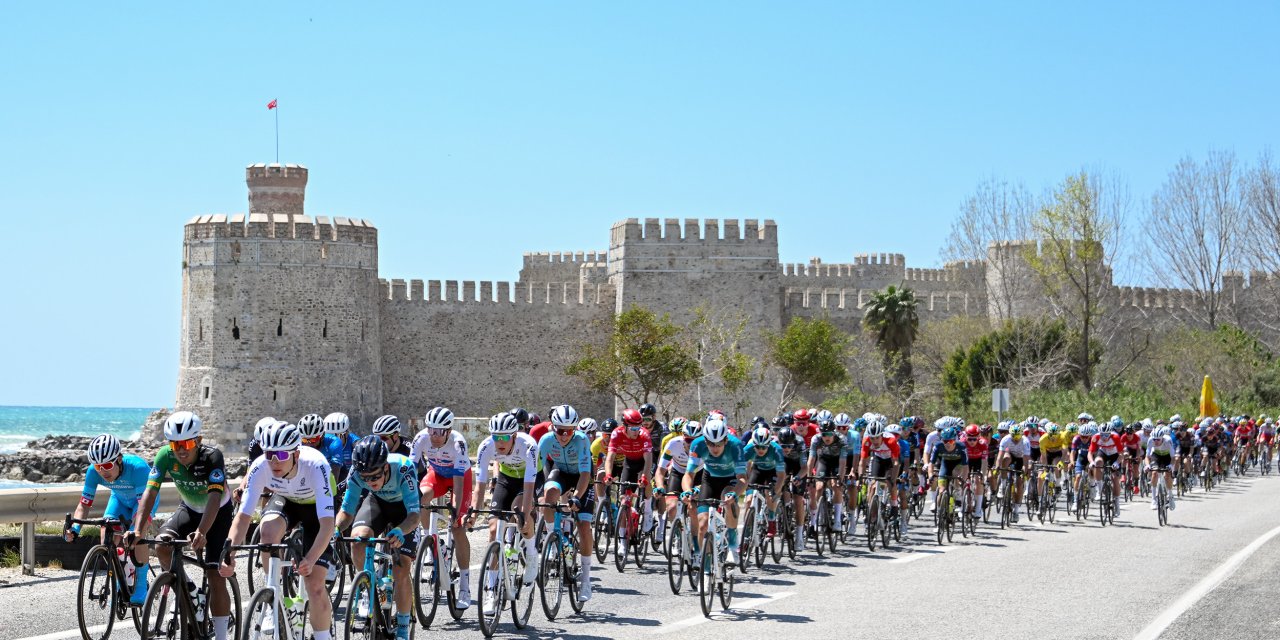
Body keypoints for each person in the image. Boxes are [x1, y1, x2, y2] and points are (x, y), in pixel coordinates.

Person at [218, 423, 336, 640]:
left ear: (296, 454)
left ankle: (323, 636)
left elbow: (328, 525)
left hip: (315, 508)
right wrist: (229, 552)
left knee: (314, 585)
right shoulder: (260, 466)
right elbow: (243, 517)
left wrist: (310, 559)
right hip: (287, 499)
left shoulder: (316, 465)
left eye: (281, 455)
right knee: (267, 532)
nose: (274, 461)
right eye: (269, 454)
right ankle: (272, 592)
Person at [127, 411, 235, 640]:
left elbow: (214, 498)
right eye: (175, 445)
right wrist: (138, 529)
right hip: (189, 509)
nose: (181, 450)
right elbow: (150, 492)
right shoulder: (165, 456)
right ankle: (191, 593)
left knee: (214, 574)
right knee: (162, 545)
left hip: (217, 513)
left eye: (187, 443)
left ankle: (222, 635)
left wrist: (202, 532)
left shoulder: (212, 457)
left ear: (198, 441)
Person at [336, 436, 420, 640]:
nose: (370, 481)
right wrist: (335, 530)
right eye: (365, 478)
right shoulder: (357, 473)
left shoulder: (403, 468)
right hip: (377, 503)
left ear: (385, 467)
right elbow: (347, 512)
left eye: (375, 476)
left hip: (404, 510)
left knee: (401, 567)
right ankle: (368, 586)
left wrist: (401, 530)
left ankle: (402, 627)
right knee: (358, 540)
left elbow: (414, 516)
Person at [65, 434, 157, 605]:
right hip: (119, 499)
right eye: (98, 466)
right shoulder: (93, 472)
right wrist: (75, 529)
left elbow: (142, 507)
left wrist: (136, 528)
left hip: (143, 502)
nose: (102, 471)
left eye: (107, 465)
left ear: (119, 459)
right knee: (105, 534)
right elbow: (84, 504)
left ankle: (141, 586)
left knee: (138, 534)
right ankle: (120, 575)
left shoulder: (137, 468)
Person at [470, 411, 541, 614]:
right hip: (506, 479)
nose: (500, 442)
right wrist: (473, 513)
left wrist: (525, 514)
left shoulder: (528, 446)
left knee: (520, 516)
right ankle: (491, 590)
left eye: (504, 437)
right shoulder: (486, 447)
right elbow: (480, 486)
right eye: (496, 437)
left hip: (529, 480)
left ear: (514, 436)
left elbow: (529, 486)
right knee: (493, 531)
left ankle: (531, 554)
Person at [410, 407, 474, 608]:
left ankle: (464, 586)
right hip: (437, 475)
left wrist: (455, 511)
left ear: (449, 431)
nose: (434, 436)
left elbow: (458, 483)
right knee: (418, 498)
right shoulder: (421, 438)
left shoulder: (458, 443)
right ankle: (430, 542)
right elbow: (410, 472)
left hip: (459, 478)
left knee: (457, 527)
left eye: (439, 432)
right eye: (431, 430)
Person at [536, 404, 595, 603]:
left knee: (584, 525)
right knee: (548, 495)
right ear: (553, 427)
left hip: (582, 477)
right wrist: (534, 493)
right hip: (561, 472)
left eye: (569, 431)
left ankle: (586, 580)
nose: (564, 435)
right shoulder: (546, 440)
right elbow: (536, 469)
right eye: (560, 430)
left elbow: (585, 473)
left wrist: (576, 496)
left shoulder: (582, 440)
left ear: (575, 429)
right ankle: (553, 540)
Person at [682, 418, 747, 566]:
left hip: (730, 479)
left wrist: (735, 494)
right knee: (702, 524)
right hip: (709, 479)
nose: (715, 448)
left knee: (729, 501)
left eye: (718, 444)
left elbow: (743, 479)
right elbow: (689, 474)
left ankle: (732, 545)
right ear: (705, 440)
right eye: (711, 444)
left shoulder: (735, 445)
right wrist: (688, 491)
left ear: (725, 440)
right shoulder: (697, 444)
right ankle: (703, 563)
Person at [603, 408, 654, 547]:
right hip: (629, 463)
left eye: (638, 427)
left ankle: (648, 510)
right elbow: (610, 458)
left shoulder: (644, 434)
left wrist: (644, 477)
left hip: (643, 463)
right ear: (624, 426)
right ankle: (622, 542)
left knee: (647, 480)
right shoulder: (616, 433)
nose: (636, 431)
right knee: (623, 500)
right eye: (633, 428)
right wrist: (608, 475)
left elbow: (648, 460)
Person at [742, 426, 788, 537]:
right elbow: (739, 468)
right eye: (758, 447)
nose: (761, 450)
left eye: (764, 447)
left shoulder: (776, 449)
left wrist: (776, 492)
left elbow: (781, 475)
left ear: (769, 444)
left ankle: (771, 520)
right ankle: (747, 530)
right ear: (753, 445)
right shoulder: (748, 449)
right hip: (757, 470)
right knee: (748, 500)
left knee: (769, 494)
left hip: (773, 471)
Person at [1146, 426, 1179, 511]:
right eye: (1154, 439)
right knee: (1154, 473)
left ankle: (1170, 496)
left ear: (1162, 438)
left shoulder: (1168, 440)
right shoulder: (1150, 440)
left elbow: (1173, 458)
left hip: (1167, 457)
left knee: (1167, 476)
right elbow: (1147, 456)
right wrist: (1147, 465)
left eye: (1158, 440)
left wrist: (1171, 466)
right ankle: (1154, 499)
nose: (1156, 441)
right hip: (1156, 456)